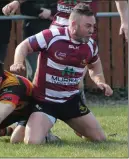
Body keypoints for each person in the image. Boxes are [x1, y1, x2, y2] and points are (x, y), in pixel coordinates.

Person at [10, 3, 113, 144]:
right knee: (32, 142)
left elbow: (95, 66)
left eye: (93, 26)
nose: (92, 30)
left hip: (70, 100)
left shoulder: (90, 45)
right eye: (88, 26)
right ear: (74, 24)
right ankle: (40, 132)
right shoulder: (52, 36)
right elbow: (24, 46)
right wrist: (18, 62)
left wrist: (100, 81)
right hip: (45, 101)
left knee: (100, 139)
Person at [2, 0, 128, 102]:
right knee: (39, 77)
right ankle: (35, 120)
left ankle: (80, 115)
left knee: (76, 81)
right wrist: (17, 2)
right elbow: (23, 46)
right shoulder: (53, 35)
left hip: (80, 33)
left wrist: (125, 20)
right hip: (58, 31)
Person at [20, 0, 57, 82]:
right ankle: (31, 93)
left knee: (52, 72)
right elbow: (24, 8)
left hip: (53, 37)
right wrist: (44, 12)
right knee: (34, 71)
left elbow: (64, 9)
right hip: (31, 35)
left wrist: (51, 12)